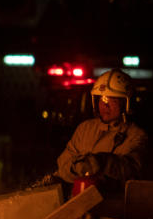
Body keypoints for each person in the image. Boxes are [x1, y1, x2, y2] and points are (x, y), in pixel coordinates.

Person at [54, 68, 146, 197]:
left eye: (112, 100)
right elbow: (63, 165)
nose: (105, 105)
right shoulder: (85, 129)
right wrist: (76, 169)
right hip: (76, 201)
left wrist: (103, 162)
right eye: (102, 99)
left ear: (126, 103)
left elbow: (133, 171)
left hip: (112, 206)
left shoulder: (136, 135)